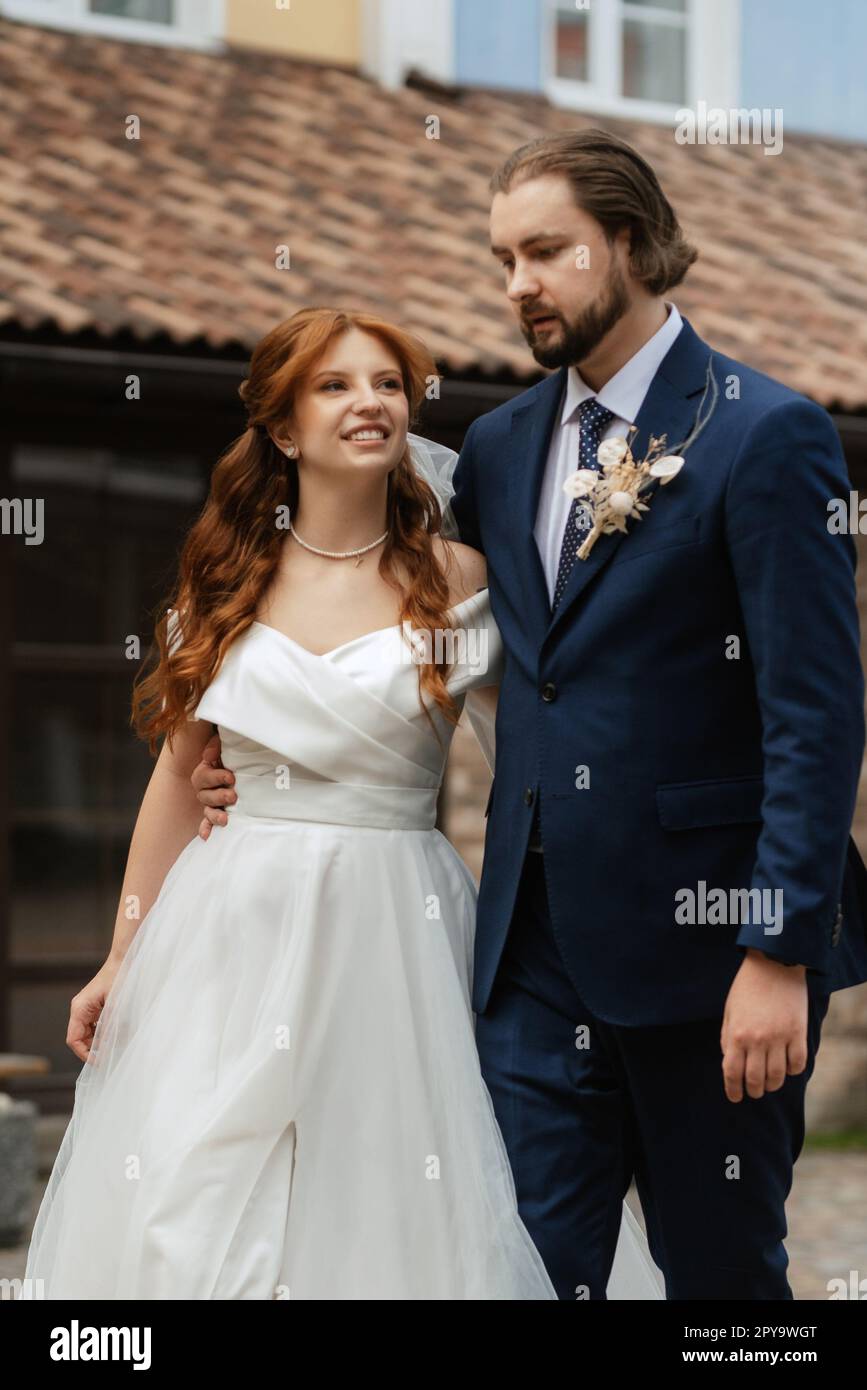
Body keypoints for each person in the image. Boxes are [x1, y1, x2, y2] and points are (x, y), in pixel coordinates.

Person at [195, 131, 867, 1301]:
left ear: (634, 244)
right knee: (523, 1271)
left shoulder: (766, 435)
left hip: (708, 955)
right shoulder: (499, 451)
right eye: (504, 257)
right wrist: (264, 752)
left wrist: (777, 950)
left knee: (722, 1278)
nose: (517, 284)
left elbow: (814, 714)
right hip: (529, 958)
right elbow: (406, 612)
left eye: (547, 251)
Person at [19, 306, 662, 1300]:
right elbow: (177, 775)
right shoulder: (227, 579)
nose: (370, 401)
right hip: (232, 919)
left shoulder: (462, 580)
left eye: (389, 384)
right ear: (282, 429)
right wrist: (120, 952)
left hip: (396, 920)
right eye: (336, 384)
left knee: (396, 1194)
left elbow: (543, 749)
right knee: (190, 1204)